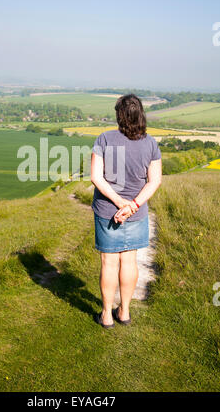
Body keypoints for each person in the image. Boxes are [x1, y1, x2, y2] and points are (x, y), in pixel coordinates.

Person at [91, 94, 162, 329]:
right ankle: (124, 312)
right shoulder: (151, 143)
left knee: (109, 263)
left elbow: (96, 177)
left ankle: (106, 315)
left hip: (106, 211)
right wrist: (132, 206)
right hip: (136, 213)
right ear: (140, 114)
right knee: (130, 261)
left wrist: (119, 202)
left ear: (119, 115)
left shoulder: (104, 139)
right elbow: (154, 181)